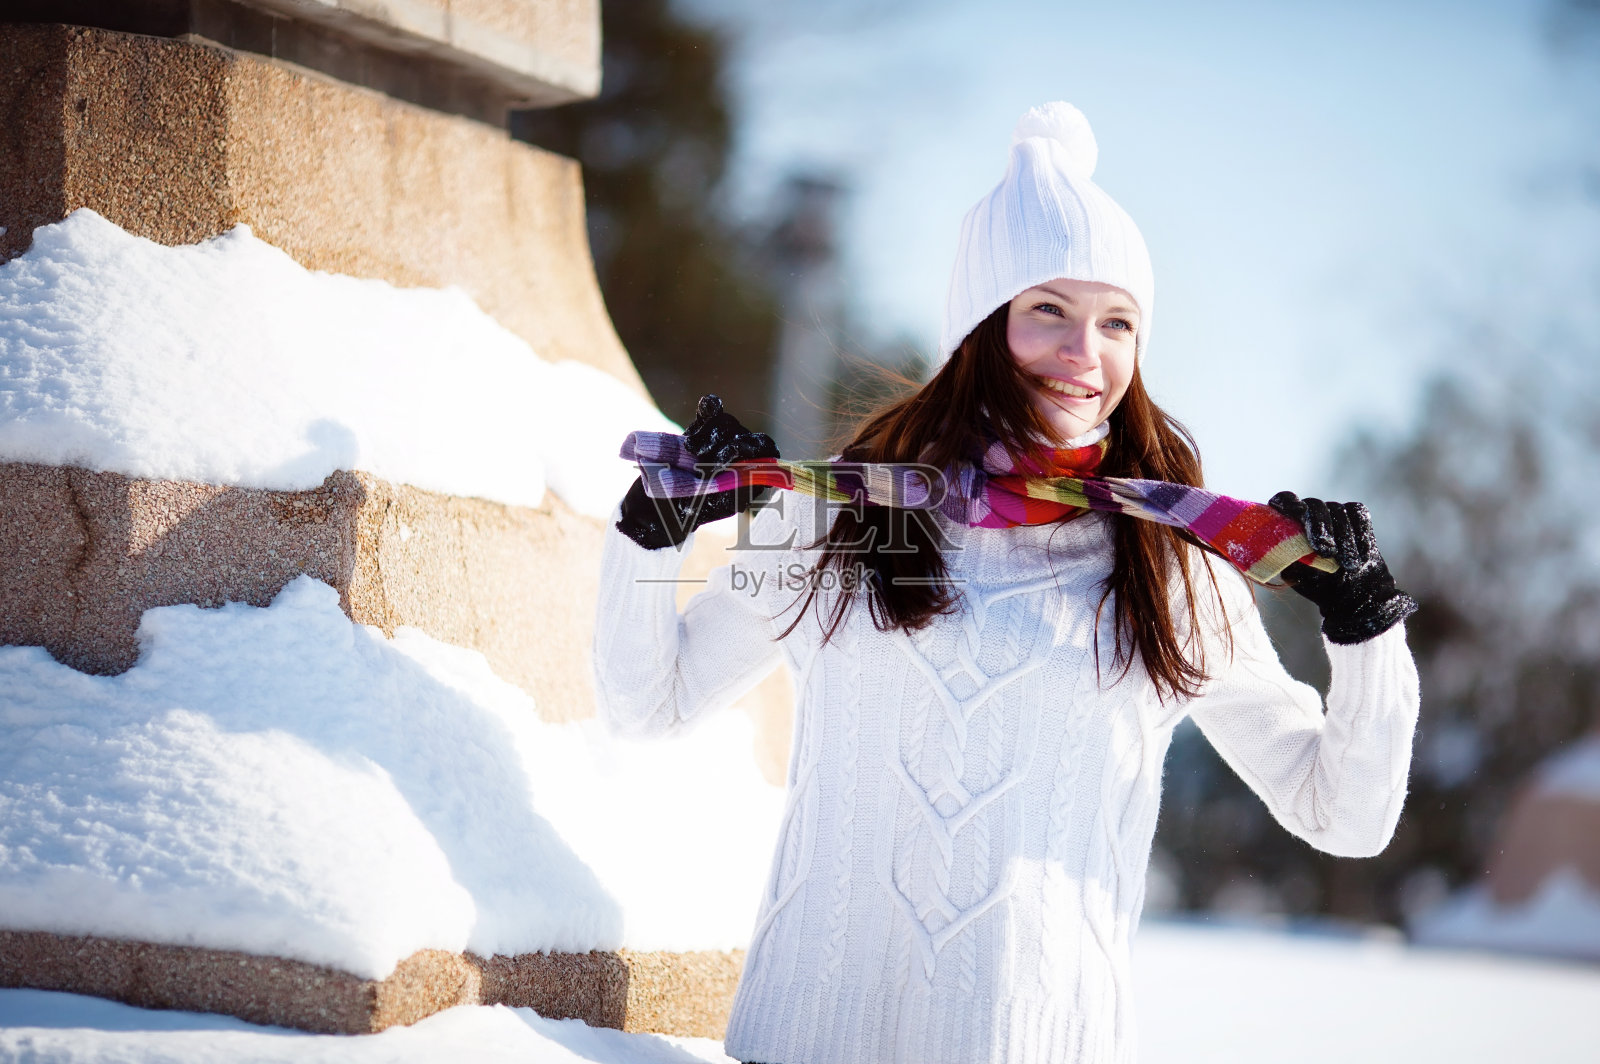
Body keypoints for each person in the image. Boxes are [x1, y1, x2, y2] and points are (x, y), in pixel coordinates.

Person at [592, 102, 1420, 1064]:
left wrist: (1365, 630)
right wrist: (651, 532)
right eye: (1049, 311)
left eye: (1118, 323)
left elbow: (1345, 817)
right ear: (981, 326)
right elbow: (646, 705)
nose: (1085, 355)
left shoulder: (1170, 561)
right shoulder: (842, 515)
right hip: (810, 1039)